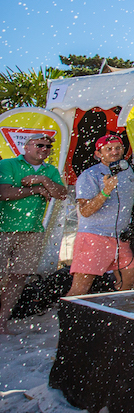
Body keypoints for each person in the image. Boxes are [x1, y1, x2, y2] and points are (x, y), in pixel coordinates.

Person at [0, 134, 69, 334]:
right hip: (4, 228)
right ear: (27, 146)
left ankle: (2, 321)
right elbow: (4, 193)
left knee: (19, 277)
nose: (44, 149)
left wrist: (43, 179)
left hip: (33, 230)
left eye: (48, 147)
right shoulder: (9, 164)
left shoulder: (50, 170)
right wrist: (38, 189)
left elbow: (61, 194)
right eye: (39, 145)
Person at [66, 134, 134, 296]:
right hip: (94, 236)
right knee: (81, 287)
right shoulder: (90, 175)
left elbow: (131, 198)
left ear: (124, 150)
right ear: (98, 154)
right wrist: (105, 191)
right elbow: (85, 211)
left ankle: (116, 314)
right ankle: (68, 319)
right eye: (108, 149)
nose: (114, 152)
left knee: (130, 278)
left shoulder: (127, 170)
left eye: (118, 148)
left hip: (120, 237)